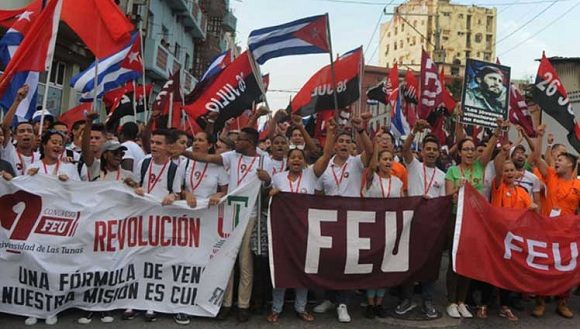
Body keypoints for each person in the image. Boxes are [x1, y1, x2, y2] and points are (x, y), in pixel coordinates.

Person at [182, 127, 272, 323]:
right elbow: (206, 159)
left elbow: (269, 192)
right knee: (226, 261)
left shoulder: (265, 161)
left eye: (239, 139)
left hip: (250, 216)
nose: (235, 142)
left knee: (245, 263)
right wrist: (183, 152)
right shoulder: (232, 156)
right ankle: (225, 303)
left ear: (249, 142)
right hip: (229, 215)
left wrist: (267, 181)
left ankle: (243, 305)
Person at [266, 118, 336, 323]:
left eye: (299, 157)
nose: (296, 160)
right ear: (287, 161)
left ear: (304, 161)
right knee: (281, 269)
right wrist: (271, 192)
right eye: (292, 157)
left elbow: (325, 155)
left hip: (306, 231)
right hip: (283, 233)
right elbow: (267, 199)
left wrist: (330, 133)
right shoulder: (278, 178)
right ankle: (277, 308)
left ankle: (300, 307)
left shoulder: (311, 175)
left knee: (302, 271)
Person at [313, 116, 373, 323]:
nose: (344, 145)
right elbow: (317, 193)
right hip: (330, 221)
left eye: (348, 142)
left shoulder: (356, 163)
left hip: (351, 220)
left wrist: (362, 130)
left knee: (348, 262)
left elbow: (371, 152)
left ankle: (343, 303)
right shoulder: (324, 167)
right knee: (330, 261)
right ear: (335, 145)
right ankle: (329, 298)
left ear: (352, 147)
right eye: (341, 141)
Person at [123, 129, 182, 322]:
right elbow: (135, 183)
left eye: (159, 143)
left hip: (163, 221)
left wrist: (172, 196)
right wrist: (136, 187)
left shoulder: (176, 168)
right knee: (137, 259)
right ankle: (133, 301)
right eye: (153, 142)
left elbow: (178, 193)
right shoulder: (144, 162)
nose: (154, 146)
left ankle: (152, 303)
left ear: (169, 147)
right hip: (143, 218)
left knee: (157, 263)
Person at [444, 120, 501, 319]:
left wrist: (498, 131)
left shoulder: (480, 167)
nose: (469, 152)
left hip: (475, 221)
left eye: (472, 149)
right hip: (456, 220)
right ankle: (451, 301)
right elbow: (449, 196)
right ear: (459, 153)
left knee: (469, 260)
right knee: (454, 260)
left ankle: (462, 301)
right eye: (465, 149)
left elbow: (491, 147)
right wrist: (458, 188)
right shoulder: (452, 171)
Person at [396, 120, 446, 319]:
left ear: (439, 153)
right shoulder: (413, 166)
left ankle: (427, 300)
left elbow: (443, 202)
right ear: (422, 151)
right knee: (408, 263)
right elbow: (405, 149)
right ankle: (407, 299)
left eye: (435, 149)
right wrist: (414, 131)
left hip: (432, 227)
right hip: (411, 223)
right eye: (428, 149)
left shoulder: (442, 176)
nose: (432, 152)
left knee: (430, 264)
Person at [529, 124, 580, 319]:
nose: (556, 161)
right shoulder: (551, 175)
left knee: (565, 268)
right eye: (556, 159)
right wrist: (539, 136)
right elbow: (535, 159)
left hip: (567, 234)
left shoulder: (578, 184)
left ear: (570, 165)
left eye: (561, 159)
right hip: (547, 230)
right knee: (544, 265)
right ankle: (540, 302)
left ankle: (562, 302)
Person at [360, 145, 404, 319]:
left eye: (390, 159)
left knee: (385, 266)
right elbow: (370, 168)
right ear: (378, 162)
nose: (387, 162)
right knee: (373, 267)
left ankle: (380, 303)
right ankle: (370, 304)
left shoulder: (398, 182)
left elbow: (404, 203)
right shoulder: (372, 178)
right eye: (384, 159)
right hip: (373, 226)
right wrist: (376, 145)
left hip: (390, 228)